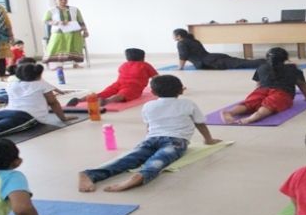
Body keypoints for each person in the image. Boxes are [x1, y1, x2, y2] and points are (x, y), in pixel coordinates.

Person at [78, 75, 220, 192]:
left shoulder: (148, 105)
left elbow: (149, 126)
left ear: (152, 92)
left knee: (130, 158)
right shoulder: (188, 103)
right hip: (176, 141)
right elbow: (199, 123)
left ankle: (90, 174)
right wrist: (208, 139)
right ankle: (141, 175)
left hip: (151, 138)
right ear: (181, 90)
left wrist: (148, 140)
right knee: (160, 159)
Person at [221, 47, 306, 124]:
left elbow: (258, 84)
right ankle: (252, 118)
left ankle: (230, 112)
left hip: (262, 90)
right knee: (269, 105)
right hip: (281, 92)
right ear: (286, 58)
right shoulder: (293, 69)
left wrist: (257, 94)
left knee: (249, 103)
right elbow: (302, 84)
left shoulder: (262, 67)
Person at [66, 48, 158, 107]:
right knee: (123, 95)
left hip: (118, 83)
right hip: (134, 85)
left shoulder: (124, 65)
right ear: (143, 58)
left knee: (104, 92)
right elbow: (156, 78)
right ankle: (108, 101)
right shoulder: (145, 65)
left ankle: (80, 100)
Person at [173, 28, 265, 70]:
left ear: (179, 36)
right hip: (212, 57)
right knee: (240, 61)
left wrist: (180, 67)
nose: (172, 37)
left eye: (173, 35)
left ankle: (265, 62)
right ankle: (264, 61)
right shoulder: (193, 40)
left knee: (240, 63)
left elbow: (183, 56)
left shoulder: (181, 43)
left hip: (209, 62)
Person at [43, 0, 89, 69]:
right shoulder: (51, 10)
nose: (63, 1)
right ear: (56, 1)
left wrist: (85, 30)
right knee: (57, 47)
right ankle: (58, 65)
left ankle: (76, 64)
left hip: (74, 32)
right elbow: (46, 21)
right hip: (59, 32)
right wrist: (58, 22)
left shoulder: (75, 9)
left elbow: (81, 21)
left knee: (75, 47)